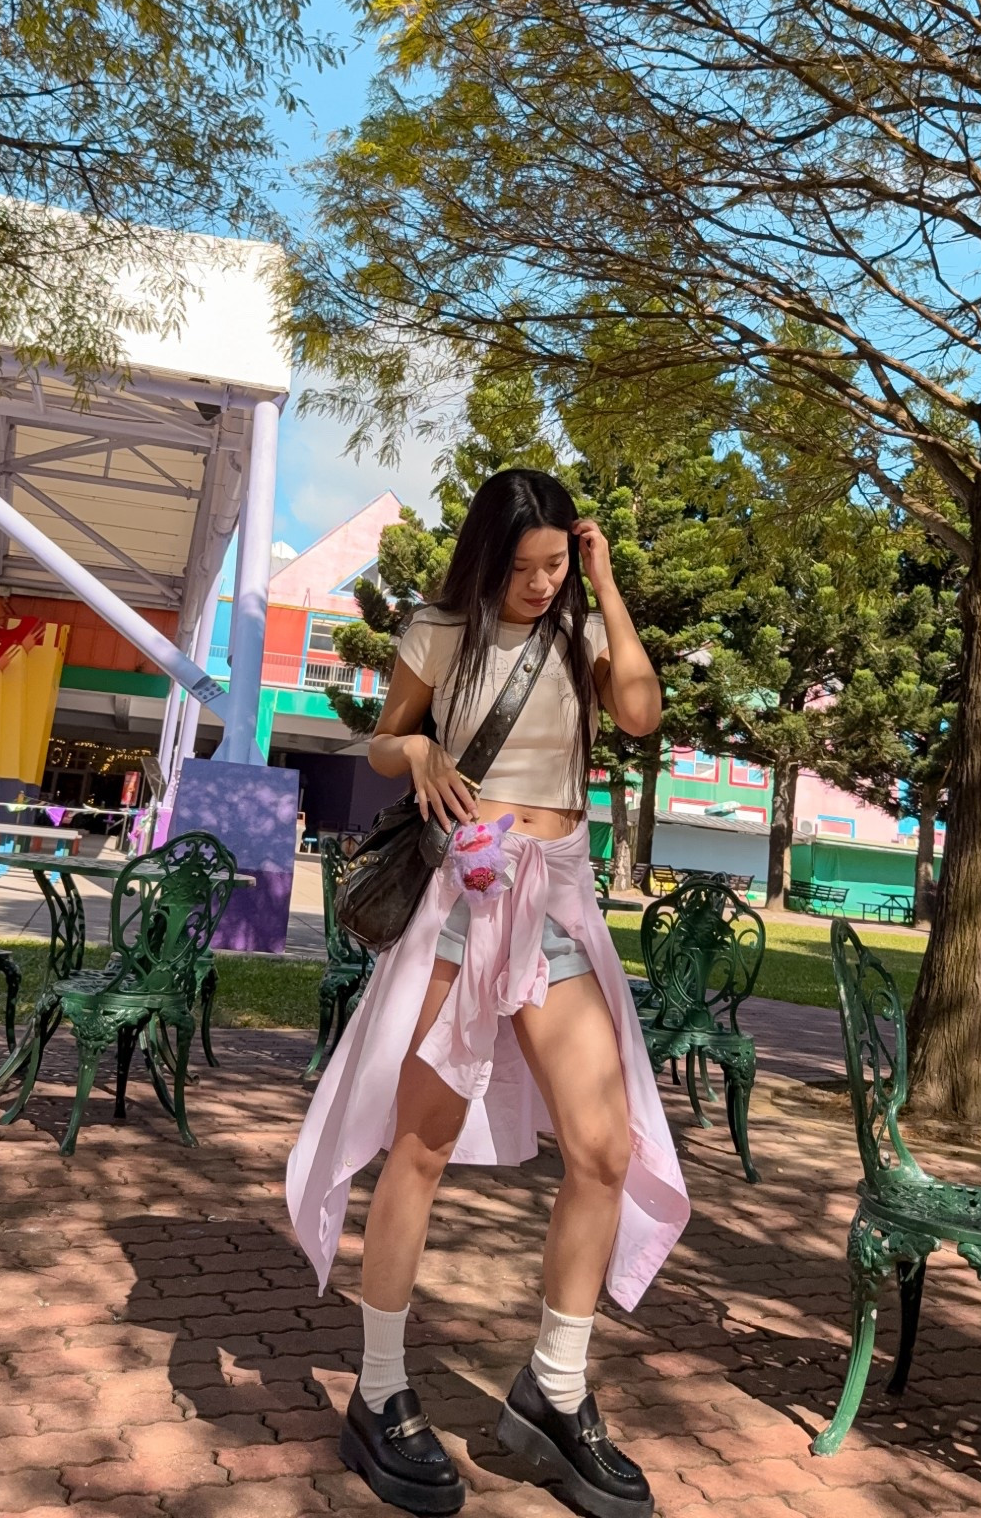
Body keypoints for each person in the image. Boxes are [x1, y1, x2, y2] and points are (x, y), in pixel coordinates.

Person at [287, 469, 689, 1518]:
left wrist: (603, 587)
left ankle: (554, 1388)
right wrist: (414, 744)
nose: (538, 583)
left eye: (554, 563)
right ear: (485, 558)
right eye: (523, 568)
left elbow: (640, 714)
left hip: (555, 906)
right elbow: (382, 739)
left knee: (603, 1149)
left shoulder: (577, 625)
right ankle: (379, 1390)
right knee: (419, 1143)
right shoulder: (440, 627)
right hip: (462, 906)